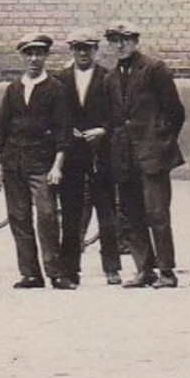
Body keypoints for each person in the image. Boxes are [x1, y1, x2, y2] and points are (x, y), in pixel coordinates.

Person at [104, 20, 186, 289]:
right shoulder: (110, 78)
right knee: (131, 214)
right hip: (125, 156)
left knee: (158, 213)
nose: (120, 45)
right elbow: (113, 117)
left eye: (125, 39)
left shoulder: (154, 69)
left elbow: (175, 110)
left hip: (153, 155)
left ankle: (166, 271)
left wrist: (161, 140)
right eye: (114, 40)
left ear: (136, 41)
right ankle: (144, 269)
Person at [0, 33, 73, 289]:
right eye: (29, 54)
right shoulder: (13, 89)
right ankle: (30, 274)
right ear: (23, 57)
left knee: (47, 215)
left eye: (39, 53)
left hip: (42, 162)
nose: (34, 59)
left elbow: (63, 130)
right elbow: (2, 126)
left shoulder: (56, 89)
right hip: (14, 161)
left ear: (46, 56)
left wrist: (57, 165)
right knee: (18, 217)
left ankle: (55, 273)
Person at [52, 29, 121, 286]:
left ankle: (112, 267)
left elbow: (117, 113)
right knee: (71, 211)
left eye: (88, 48)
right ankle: (70, 269)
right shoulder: (60, 79)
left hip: (101, 154)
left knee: (107, 211)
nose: (83, 53)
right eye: (78, 48)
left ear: (95, 50)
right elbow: (55, 115)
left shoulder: (108, 77)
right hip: (71, 155)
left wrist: (103, 130)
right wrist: (67, 131)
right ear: (71, 50)